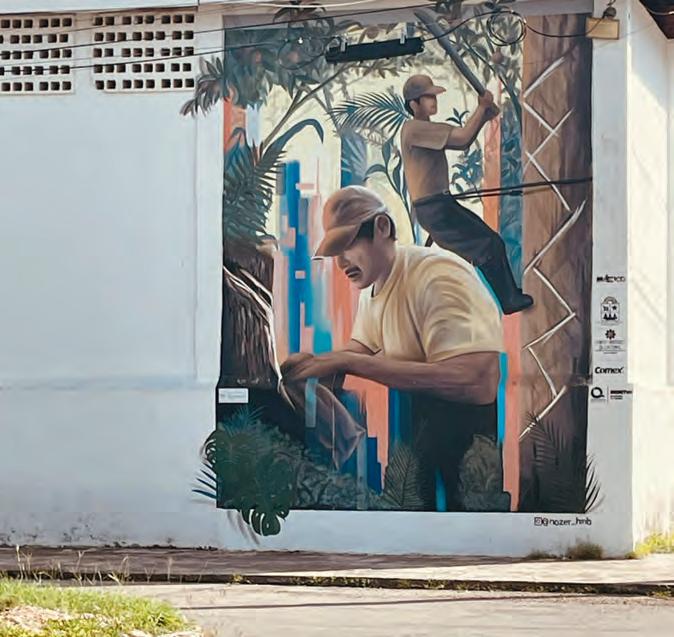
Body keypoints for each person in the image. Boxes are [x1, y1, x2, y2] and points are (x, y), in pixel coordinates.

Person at [283, 186, 504, 510]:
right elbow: (358, 351)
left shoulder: (437, 275)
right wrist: (314, 363)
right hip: (419, 432)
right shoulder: (376, 286)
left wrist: (348, 363)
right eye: (336, 251)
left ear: (382, 227)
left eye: (349, 244)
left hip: (467, 438)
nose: (341, 262)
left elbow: (476, 382)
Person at [400, 73, 533, 315]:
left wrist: (484, 115)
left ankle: (509, 297)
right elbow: (461, 139)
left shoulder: (423, 128)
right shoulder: (415, 129)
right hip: (434, 208)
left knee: (492, 243)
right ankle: (508, 300)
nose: (433, 101)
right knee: (487, 246)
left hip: (441, 204)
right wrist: (482, 109)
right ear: (414, 104)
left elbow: (463, 138)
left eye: (433, 96)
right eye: (427, 97)